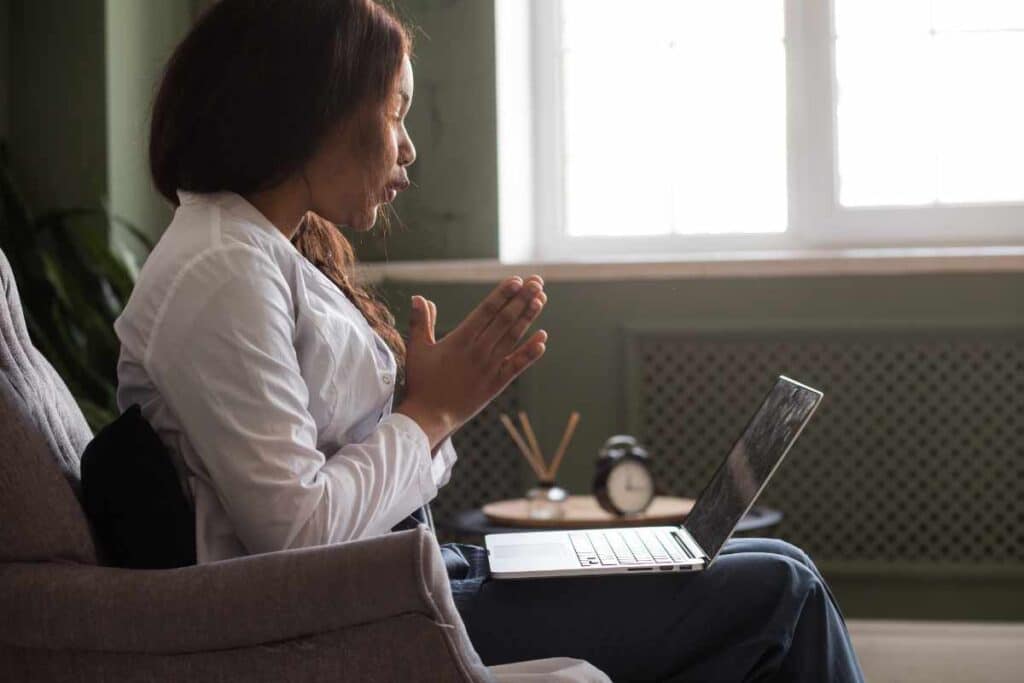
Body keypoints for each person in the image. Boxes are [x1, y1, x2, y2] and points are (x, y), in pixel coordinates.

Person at [115, 1, 865, 680]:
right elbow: (297, 538)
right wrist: (431, 411)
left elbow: (366, 476)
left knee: (778, 562)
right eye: (395, 111)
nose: (408, 149)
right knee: (783, 594)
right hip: (349, 623)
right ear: (314, 109)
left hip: (413, 578)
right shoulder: (222, 270)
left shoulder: (262, 254)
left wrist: (425, 405)